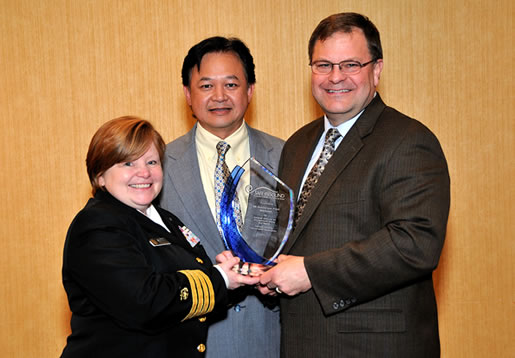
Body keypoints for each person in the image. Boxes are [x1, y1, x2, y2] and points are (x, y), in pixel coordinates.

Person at [257, 13, 451, 357]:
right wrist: (263, 268)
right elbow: (289, 233)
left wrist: (309, 272)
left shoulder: (408, 140)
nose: (335, 77)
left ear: (376, 70)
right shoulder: (298, 145)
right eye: (323, 65)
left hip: (372, 346)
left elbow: (415, 244)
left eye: (350, 64)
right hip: (302, 341)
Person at [61, 116, 258, 358]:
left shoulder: (166, 220)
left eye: (152, 162)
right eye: (127, 163)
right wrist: (220, 278)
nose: (143, 172)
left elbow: (196, 290)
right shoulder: (97, 225)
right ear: (100, 175)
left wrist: (237, 276)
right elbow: (144, 302)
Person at [159, 36, 283, 357]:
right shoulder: (157, 165)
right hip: (191, 341)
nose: (219, 96)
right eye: (205, 86)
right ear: (187, 94)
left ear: (250, 90)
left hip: (274, 338)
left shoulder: (288, 157)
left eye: (231, 84)